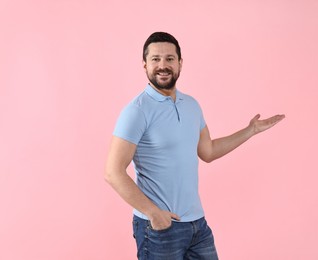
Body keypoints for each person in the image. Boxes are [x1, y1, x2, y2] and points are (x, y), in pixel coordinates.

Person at [105, 32, 285, 260]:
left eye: (170, 59)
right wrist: (153, 213)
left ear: (180, 63)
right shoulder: (137, 111)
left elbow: (207, 152)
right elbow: (112, 172)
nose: (163, 65)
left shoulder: (191, 105)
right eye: (156, 59)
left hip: (197, 225)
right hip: (160, 227)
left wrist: (250, 131)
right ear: (144, 64)